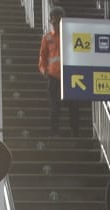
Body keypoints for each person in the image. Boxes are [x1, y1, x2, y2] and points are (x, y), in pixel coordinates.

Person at [39, 8, 82, 136]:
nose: (56, 24)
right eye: (54, 22)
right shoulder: (47, 38)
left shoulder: (73, 35)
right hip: (54, 76)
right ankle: (54, 132)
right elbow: (42, 56)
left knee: (74, 106)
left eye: (58, 21)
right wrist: (44, 71)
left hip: (71, 77)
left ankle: (75, 132)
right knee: (54, 106)